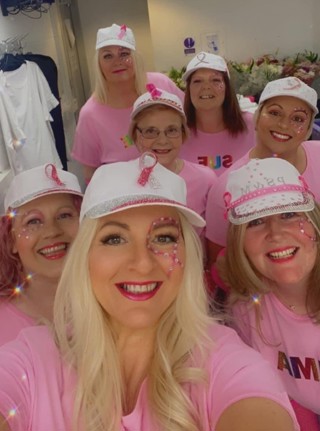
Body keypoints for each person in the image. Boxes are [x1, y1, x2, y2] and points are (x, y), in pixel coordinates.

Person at [0, 153, 299, 431]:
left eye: (164, 237)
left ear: (188, 254)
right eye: (114, 239)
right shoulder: (33, 358)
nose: (142, 264)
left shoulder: (225, 363)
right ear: (85, 256)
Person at [217, 157, 320, 431]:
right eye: (256, 221)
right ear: (239, 243)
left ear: (315, 224)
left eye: (289, 214)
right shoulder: (245, 310)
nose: (276, 233)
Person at [205, 76, 320, 267]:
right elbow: (220, 263)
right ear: (256, 118)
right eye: (275, 113)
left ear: (309, 129)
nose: (284, 125)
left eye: (298, 118)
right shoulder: (227, 186)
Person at [71, 23, 184, 184]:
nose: (117, 62)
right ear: (99, 64)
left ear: (136, 57)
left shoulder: (162, 85)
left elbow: (193, 124)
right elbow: (90, 173)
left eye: (124, 53)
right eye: (108, 56)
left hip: (178, 185)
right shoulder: (90, 114)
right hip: (126, 199)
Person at [0, 163, 82, 346]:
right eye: (33, 221)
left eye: (64, 215)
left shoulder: (113, 302)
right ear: (11, 240)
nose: (51, 231)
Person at [128, 85, 217, 238]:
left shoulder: (205, 180)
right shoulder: (122, 179)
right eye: (150, 131)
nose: (162, 140)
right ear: (136, 135)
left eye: (171, 130)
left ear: (183, 134)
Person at [180, 51, 255, 176]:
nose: (206, 87)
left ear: (227, 87)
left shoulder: (252, 126)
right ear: (188, 89)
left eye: (215, 80)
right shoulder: (176, 132)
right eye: (197, 81)